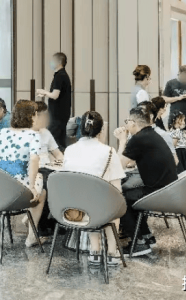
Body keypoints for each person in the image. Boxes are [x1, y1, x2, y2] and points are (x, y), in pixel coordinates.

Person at [0, 100, 46, 248]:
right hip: (16, 192)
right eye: (36, 114)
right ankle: (31, 235)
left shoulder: (3, 133)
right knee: (42, 191)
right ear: (31, 116)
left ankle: (28, 220)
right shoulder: (33, 135)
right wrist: (32, 186)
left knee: (38, 189)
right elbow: (34, 160)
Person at [114, 105, 178, 257]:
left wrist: (122, 141)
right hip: (170, 189)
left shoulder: (138, 139)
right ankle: (146, 236)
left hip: (159, 192)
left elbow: (118, 167)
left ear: (133, 123)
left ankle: (139, 243)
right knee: (129, 193)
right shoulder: (151, 134)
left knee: (120, 198)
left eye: (127, 121)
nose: (126, 125)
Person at [63, 111, 125, 267]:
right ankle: (112, 252)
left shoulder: (69, 150)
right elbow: (117, 190)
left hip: (73, 210)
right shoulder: (109, 151)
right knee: (113, 205)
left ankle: (95, 250)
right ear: (101, 130)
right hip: (97, 211)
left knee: (87, 199)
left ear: (81, 129)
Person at [36, 52, 72, 149]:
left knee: (54, 141)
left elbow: (55, 95)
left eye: (53, 60)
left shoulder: (60, 76)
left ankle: (58, 157)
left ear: (59, 62)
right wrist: (45, 93)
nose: (50, 62)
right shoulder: (61, 75)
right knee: (59, 140)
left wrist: (44, 92)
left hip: (57, 115)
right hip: (61, 114)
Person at [163, 65, 186, 133]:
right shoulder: (171, 83)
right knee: (175, 139)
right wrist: (178, 98)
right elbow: (164, 99)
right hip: (175, 120)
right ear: (179, 73)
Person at [145, 98, 179, 165]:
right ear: (160, 109)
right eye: (164, 107)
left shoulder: (159, 119)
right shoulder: (155, 122)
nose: (165, 109)